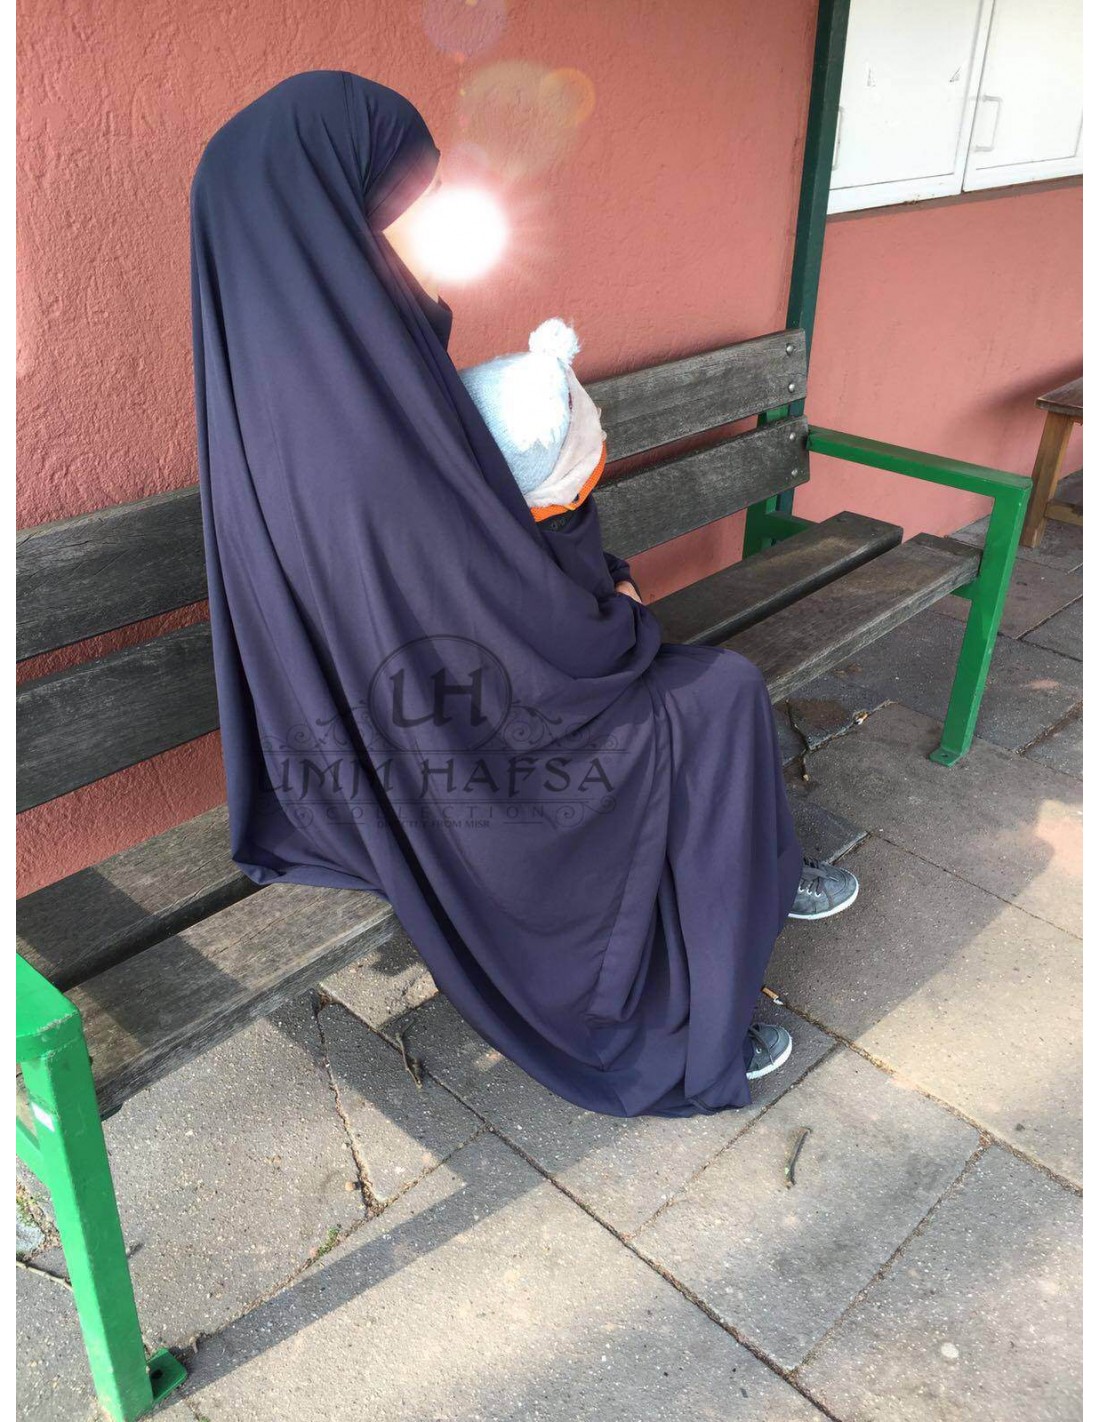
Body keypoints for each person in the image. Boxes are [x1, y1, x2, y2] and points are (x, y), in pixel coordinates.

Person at [190, 70, 857, 1119]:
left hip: (424, 697)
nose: (410, 226)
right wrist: (605, 617)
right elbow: (457, 601)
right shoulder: (350, 412)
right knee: (715, 694)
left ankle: (755, 885)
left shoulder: (292, 372)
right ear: (328, 213)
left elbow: (461, 555)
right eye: (395, 202)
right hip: (450, 736)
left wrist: (586, 584)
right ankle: (677, 1009)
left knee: (694, 688)